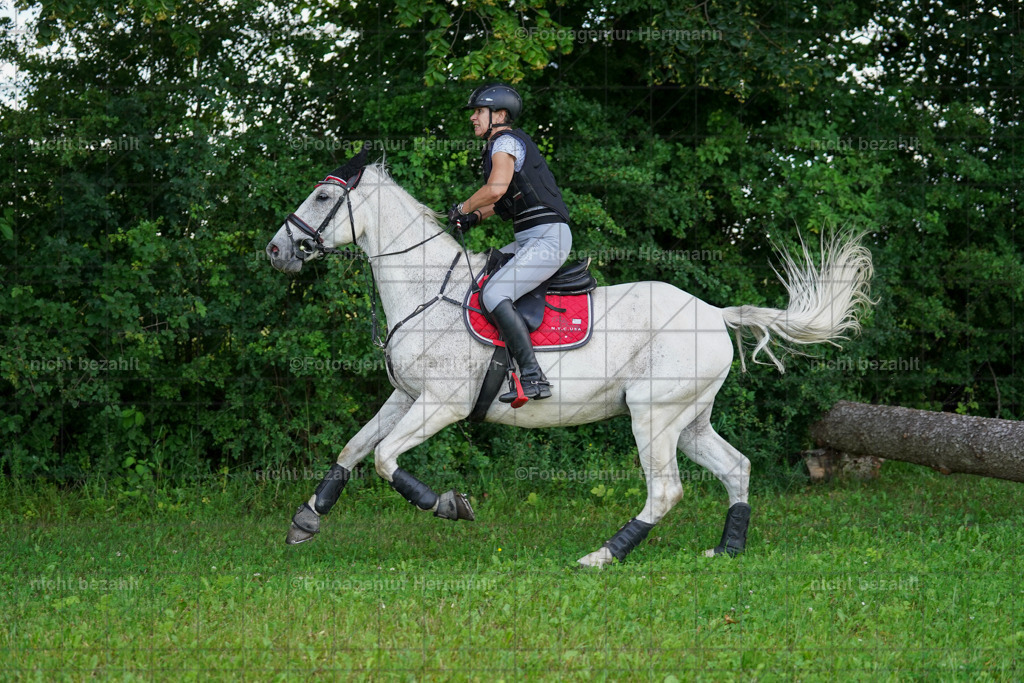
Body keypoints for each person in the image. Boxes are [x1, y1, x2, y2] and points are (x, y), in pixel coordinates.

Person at [448, 83, 573, 403]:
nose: (473, 118)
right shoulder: (503, 145)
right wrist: (475, 218)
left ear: (500, 115)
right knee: (480, 274)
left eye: (479, 111)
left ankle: (533, 377)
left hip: (547, 240)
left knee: (495, 292)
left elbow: (494, 189)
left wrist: (463, 208)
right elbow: (501, 201)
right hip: (533, 239)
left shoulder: (504, 141)